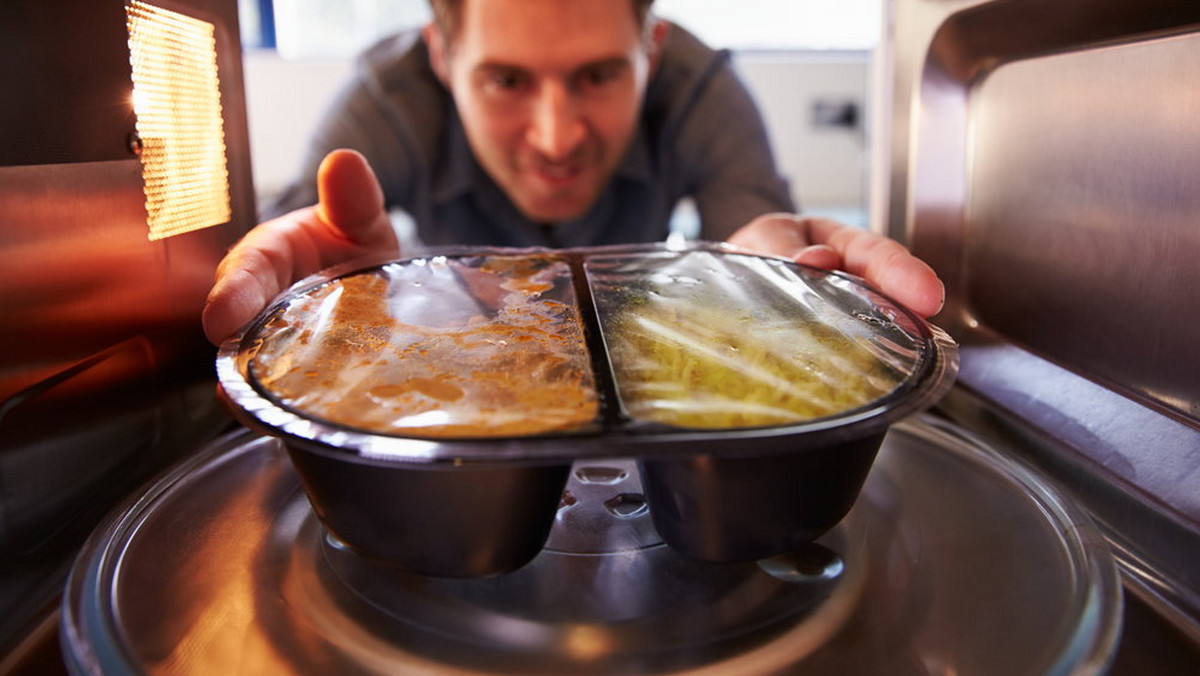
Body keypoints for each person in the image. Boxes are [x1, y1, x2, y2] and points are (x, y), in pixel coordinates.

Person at [202, 0, 943, 345]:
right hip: (462, 345)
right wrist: (328, 303)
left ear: (650, 53)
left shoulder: (698, 87)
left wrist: (771, 281)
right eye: (506, 81)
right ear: (440, 56)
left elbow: (756, 236)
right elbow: (303, 246)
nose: (556, 139)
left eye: (597, 75)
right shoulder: (384, 103)